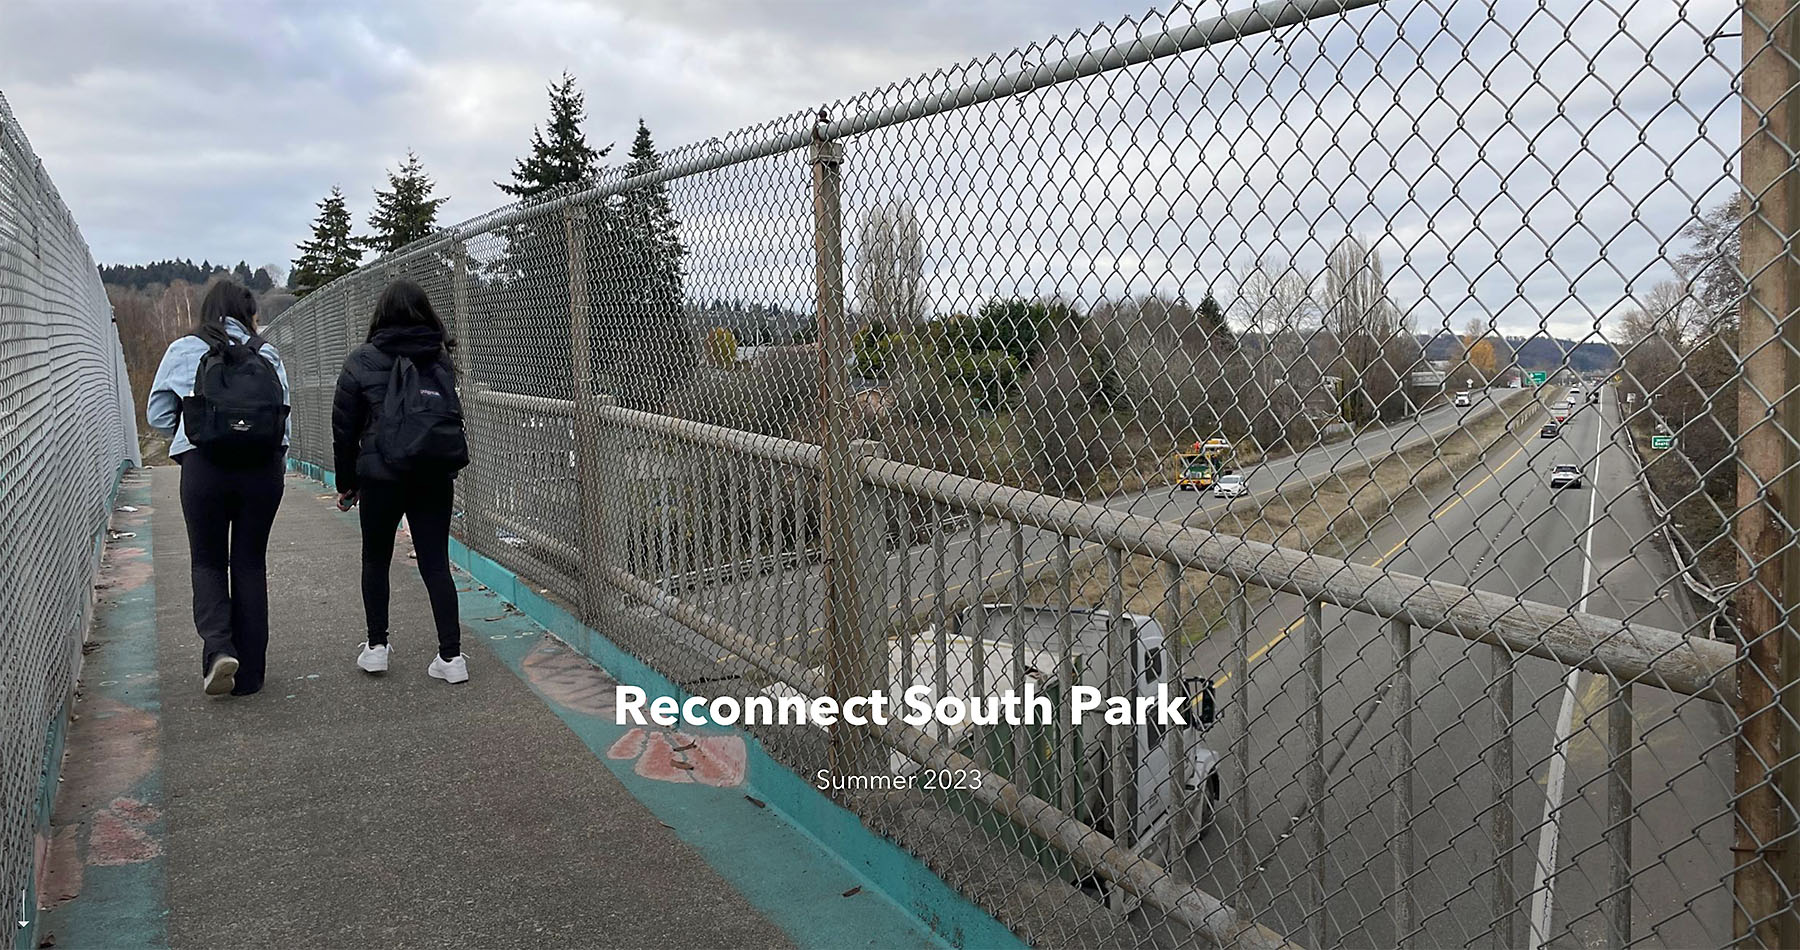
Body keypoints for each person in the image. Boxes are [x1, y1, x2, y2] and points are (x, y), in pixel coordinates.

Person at [147, 280, 291, 697]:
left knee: (208, 562)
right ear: (249, 314)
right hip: (262, 469)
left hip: (204, 465)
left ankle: (218, 650)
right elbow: (285, 423)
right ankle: (251, 677)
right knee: (249, 562)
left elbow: (157, 416)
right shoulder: (268, 353)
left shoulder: (183, 348)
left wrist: (192, 425)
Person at [331, 278, 470, 684]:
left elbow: (344, 429)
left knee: (375, 559)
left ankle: (376, 648)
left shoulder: (361, 360)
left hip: (380, 476)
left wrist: (347, 483)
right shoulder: (439, 358)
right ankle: (451, 657)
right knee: (435, 562)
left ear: (381, 314)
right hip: (432, 473)